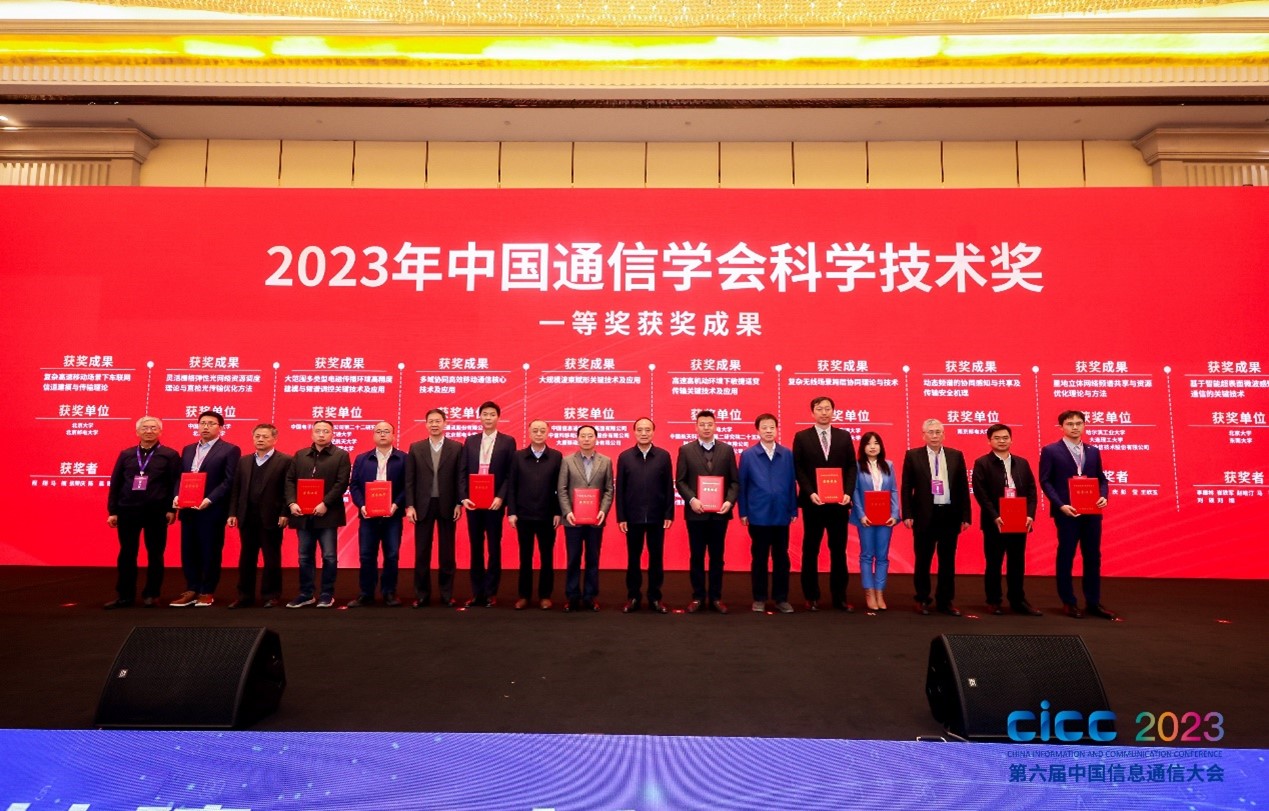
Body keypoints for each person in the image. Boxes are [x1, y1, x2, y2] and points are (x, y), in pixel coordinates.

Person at [1039, 410, 1116, 620]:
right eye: (1070, 423)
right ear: (1061, 427)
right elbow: (1045, 481)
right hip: (1067, 512)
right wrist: (1060, 505)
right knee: (1066, 555)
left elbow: (1101, 479)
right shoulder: (1051, 450)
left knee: (1093, 556)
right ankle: (1069, 602)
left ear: (1084, 425)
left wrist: (1103, 496)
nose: (1075, 427)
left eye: (1079, 423)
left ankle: (1093, 602)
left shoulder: (1093, 451)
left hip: (1092, 512)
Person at [104, 416, 181, 609]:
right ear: (137, 432)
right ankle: (125, 595)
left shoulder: (170, 455)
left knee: (155, 554)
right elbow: (116, 483)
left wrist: (172, 509)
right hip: (127, 510)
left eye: (153, 428)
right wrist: (113, 511)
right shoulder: (126, 454)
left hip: (157, 512)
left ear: (160, 431)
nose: (149, 431)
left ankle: (152, 594)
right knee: (127, 553)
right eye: (145, 428)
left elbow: (175, 484)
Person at [792, 396, 858, 612]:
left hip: (838, 504)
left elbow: (851, 467)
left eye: (827, 409)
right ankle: (811, 596)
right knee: (811, 549)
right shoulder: (802, 437)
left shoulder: (843, 436)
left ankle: (839, 598)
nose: (824, 412)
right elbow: (799, 468)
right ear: (812, 413)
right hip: (814, 503)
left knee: (838, 551)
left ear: (833, 412)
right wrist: (810, 492)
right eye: (819, 409)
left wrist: (848, 492)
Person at [901, 419, 971, 616]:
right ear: (923, 435)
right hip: (924, 515)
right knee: (923, 559)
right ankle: (922, 599)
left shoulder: (955, 455)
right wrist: (907, 514)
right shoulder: (913, 456)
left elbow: (963, 487)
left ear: (944, 435)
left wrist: (966, 515)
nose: (934, 435)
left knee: (947, 561)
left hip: (949, 514)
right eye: (930, 432)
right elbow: (906, 487)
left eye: (938, 432)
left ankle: (945, 601)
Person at [171, 410, 241, 607]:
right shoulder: (188, 449)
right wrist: (176, 495)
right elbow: (180, 476)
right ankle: (192, 588)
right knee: (188, 551)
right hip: (188, 509)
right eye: (202, 423)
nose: (205, 427)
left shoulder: (229, 450)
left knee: (210, 551)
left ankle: (207, 591)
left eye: (211, 423)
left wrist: (210, 499)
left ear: (221, 428)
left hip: (211, 510)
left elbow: (229, 480)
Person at [972, 423, 1042, 617]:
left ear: (1011, 440)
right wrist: (995, 516)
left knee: (1017, 563)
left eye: (1005, 438)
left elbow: (1032, 491)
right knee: (994, 563)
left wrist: (1030, 515)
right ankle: (993, 601)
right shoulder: (982, 463)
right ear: (989, 441)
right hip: (995, 522)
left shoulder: (1022, 463)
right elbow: (981, 493)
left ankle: (1018, 600)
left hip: (1020, 521)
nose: (1002, 441)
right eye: (997, 438)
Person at [675, 409, 739, 614]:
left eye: (709, 424)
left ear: (715, 426)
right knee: (697, 556)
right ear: (696, 427)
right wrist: (692, 499)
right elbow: (680, 481)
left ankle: (716, 597)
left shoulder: (727, 450)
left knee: (717, 556)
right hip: (696, 513)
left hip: (720, 514)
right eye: (702, 424)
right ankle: (698, 597)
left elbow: (735, 481)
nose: (706, 428)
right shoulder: (686, 450)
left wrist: (729, 501)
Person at [284, 419, 351, 609]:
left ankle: (327, 594)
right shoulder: (300, 455)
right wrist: (292, 502)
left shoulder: (341, 455)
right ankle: (306, 594)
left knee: (329, 556)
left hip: (328, 514)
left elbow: (342, 483)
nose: (321, 434)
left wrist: (325, 503)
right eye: (318, 431)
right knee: (305, 556)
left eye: (326, 431)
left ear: (332, 434)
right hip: (302, 515)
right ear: (312, 433)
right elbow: (289, 480)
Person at [405, 408, 466, 608]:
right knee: (422, 552)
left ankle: (447, 594)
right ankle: (422, 594)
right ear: (426, 424)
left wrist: (459, 503)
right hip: (423, 505)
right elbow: (409, 480)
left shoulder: (456, 448)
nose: (434, 424)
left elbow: (460, 478)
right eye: (430, 421)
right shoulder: (416, 447)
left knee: (447, 552)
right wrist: (410, 505)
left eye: (438, 421)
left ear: (445, 423)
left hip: (448, 504)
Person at [738, 414, 798, 614]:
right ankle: (759, 598)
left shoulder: (786, 454)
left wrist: (793, 508)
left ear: (777, 429)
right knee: (760, 558)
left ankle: (781, 598)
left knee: (782, 558)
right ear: (758, 431)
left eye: (772, 427)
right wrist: (743, 511)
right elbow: (742, 485)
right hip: (758, 514)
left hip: (781, 513)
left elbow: (791, 483)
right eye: (764, 427)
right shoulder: (748, 455)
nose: (769, 431)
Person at [226, 423, 291, 608]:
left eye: (265, 436)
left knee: (271, 558)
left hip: (272, 517)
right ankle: (244, 595)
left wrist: (285, 512)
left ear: (274, 439)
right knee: (247, 557)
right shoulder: (244, 461)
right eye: (257, 436)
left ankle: (271, 595)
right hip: (247, 516)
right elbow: (236, 489)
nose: (260, 440)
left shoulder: (285, 460)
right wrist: (232, 512)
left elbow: (288, 489)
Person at [615, 417, 675, 614]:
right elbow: (620, 489)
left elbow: (668, 486)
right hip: (632, 517)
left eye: (647, 429)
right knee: (633, 558)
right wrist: (621, 516)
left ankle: (655, 598)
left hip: (657, 516)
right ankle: (633, 597)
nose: (643, 433)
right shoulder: (625, 457)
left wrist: (669, 513)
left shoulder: (663, 456)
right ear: (634, 432)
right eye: (640, 429)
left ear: (653, 432)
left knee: (656, 558)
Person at [460, 401, 517, 608]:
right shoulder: (471, 441)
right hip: (473, 503)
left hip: (494, 503)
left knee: (494, 546)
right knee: (475, 547)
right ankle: (477, 592)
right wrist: (463, 497)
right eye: (485, 414)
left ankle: (491, 592)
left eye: (492, 414)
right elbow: (462, 471)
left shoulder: (507, 441)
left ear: (498, 417)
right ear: (480, 417)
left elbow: (510, 473)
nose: (488, 418)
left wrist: (500, 497)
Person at [348, 421, 407, 607]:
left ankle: (389, 592)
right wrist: (362, 505)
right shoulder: (362, 459)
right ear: (373, 435)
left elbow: (408, 485)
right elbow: (354, 485)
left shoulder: (403, 458)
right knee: (366, 555)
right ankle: (366, 593)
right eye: (378, 431)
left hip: (393, 516)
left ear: (393, 435)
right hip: (368, 516)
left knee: (392, 555)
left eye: (386, 431)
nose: (382, 434)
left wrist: (396, 504)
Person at [507, 419, 563, 610]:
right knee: (525, 557)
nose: (539, 434)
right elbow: (512, 486)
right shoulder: (518, 456)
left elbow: (560, 487)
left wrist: (558, 512)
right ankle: (524, 595)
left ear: (548, 433)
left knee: (547, 557)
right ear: (529, 433)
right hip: (523, 515)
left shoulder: (556, 456)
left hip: (547, 516)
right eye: (535, 430)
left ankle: (545, 596)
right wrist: (512, 512)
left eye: (542, 430)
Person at [557, 424, 614, 612]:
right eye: (583, 436)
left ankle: (590, 596)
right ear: (577, 438)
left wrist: (603, 511)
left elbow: (609, 490)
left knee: (592, 559)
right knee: (573, 558)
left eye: (590, 436)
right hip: (573, 520)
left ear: (596, 438)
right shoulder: (567, 461)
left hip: (595, 520)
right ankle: (572, 597)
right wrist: (567, 512)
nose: (586, 439)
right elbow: (562, 489)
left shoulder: (606, 461)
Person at [849, 431, 899, 612]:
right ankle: (869, 592)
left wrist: (895, 514)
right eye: (868, 443)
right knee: (867, 555)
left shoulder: (888, 465)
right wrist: (861, 514)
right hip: (866, 519)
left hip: (886, 518)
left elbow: (893, 491)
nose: (872, 447)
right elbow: (855, 491)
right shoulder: (857, 466)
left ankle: (880, 592)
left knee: (883, 556)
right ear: (863, 447)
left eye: (876, 443)